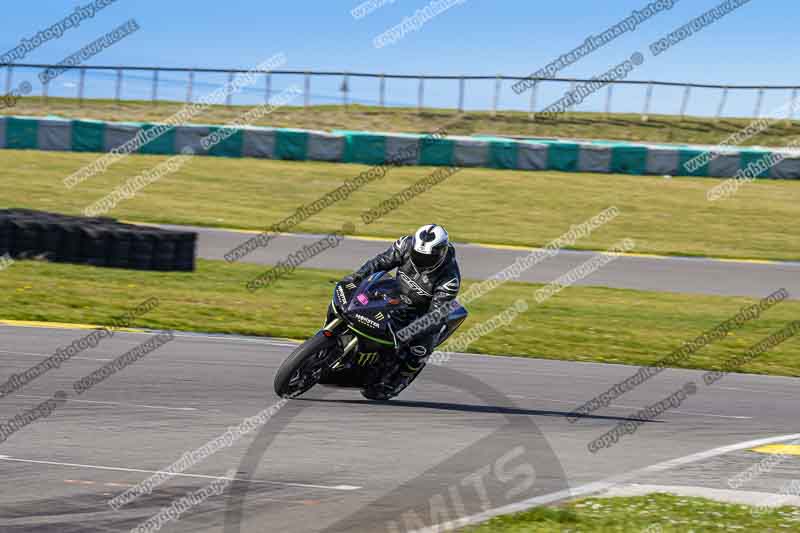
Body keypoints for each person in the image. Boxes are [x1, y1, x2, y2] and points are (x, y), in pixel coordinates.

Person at [341, 224, 461, 397]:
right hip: (395, 292)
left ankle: (398, 380)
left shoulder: (449, 279)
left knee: (420, 348)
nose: (420, 260)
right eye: (418, 255)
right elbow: (380, 262)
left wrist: (408, 333)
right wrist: (356, 277)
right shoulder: (405, 244)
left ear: (440, 253)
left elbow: (435, 316)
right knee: (359, 298)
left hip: (420, 311)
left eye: (426, 258)